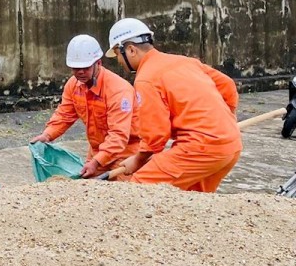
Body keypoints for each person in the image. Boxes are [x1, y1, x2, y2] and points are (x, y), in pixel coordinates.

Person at [105, 18, 242, 192]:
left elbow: (155, 135)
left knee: (139, 190)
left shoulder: (146, 78)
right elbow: (228, 86)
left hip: (198, 149)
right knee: (193, 199)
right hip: (231, 146)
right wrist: (225, 124)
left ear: (130, 49)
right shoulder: (184, 61)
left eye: (118, 54)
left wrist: (138, 160)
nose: (119, 61)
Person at [30, 34, 137, 178]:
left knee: (123, 196)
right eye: (75, 68)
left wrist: (96, 162)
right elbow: (64, 115)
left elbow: (118, 136)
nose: (80, 72)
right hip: (97, 152)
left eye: (85, 67)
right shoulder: (73, 85)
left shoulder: (118, 90)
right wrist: (47, 135)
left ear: (98, 63)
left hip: (127, 154)